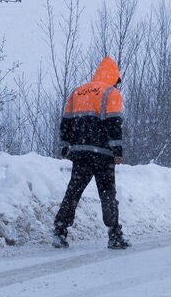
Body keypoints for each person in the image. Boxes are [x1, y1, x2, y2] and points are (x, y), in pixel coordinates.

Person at [53, 56, 130, 250]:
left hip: (79, 153)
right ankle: (114, 235)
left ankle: (60, 231)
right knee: (107, 194)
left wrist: (65, 145)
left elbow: (66, 123)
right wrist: (117, 150)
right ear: (114, 77)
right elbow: (114, 124)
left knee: (73, 192)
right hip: (102, 154)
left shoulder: (77, 91)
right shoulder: (110, 93)